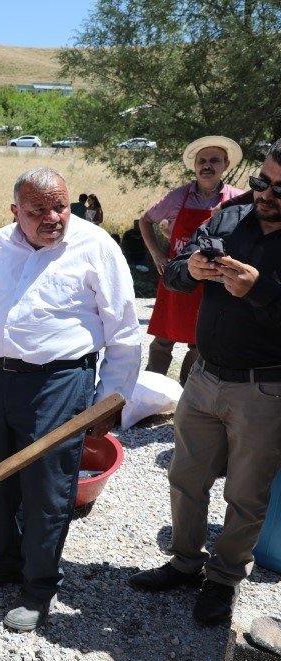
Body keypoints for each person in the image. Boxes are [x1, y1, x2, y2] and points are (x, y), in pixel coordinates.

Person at [0, 167, 141, 632]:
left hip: (58, 383)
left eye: (60, 206)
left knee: (47, 488)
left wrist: (111, 400)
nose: (52, 217)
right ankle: (7, 562)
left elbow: (124, 331)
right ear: (15, 211)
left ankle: (39, 586)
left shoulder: (95, 246)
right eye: (37, 210)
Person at [129, 140, 281, 626]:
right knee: (186, 478)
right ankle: (184, 562)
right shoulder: (230, 216)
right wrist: (189, 269)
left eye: (279, 189)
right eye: (261, 182)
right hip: (203, 376)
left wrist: (261, 290)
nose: (266, 194)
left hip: (264, 390)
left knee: (246, 494)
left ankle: (223, 579)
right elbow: (175, 274)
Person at [138, 136, 244, 385]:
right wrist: (157, 253)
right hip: (177, 277)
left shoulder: (237, 199)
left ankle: (186, 390)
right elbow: (146, 220)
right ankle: (149, 389)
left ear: (226, 164)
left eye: (214, 160)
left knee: (199, 341)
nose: (207, 165)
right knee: (163, 337)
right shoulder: (178, 197)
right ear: (195, 165)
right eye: (202, 160)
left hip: (212, 281)